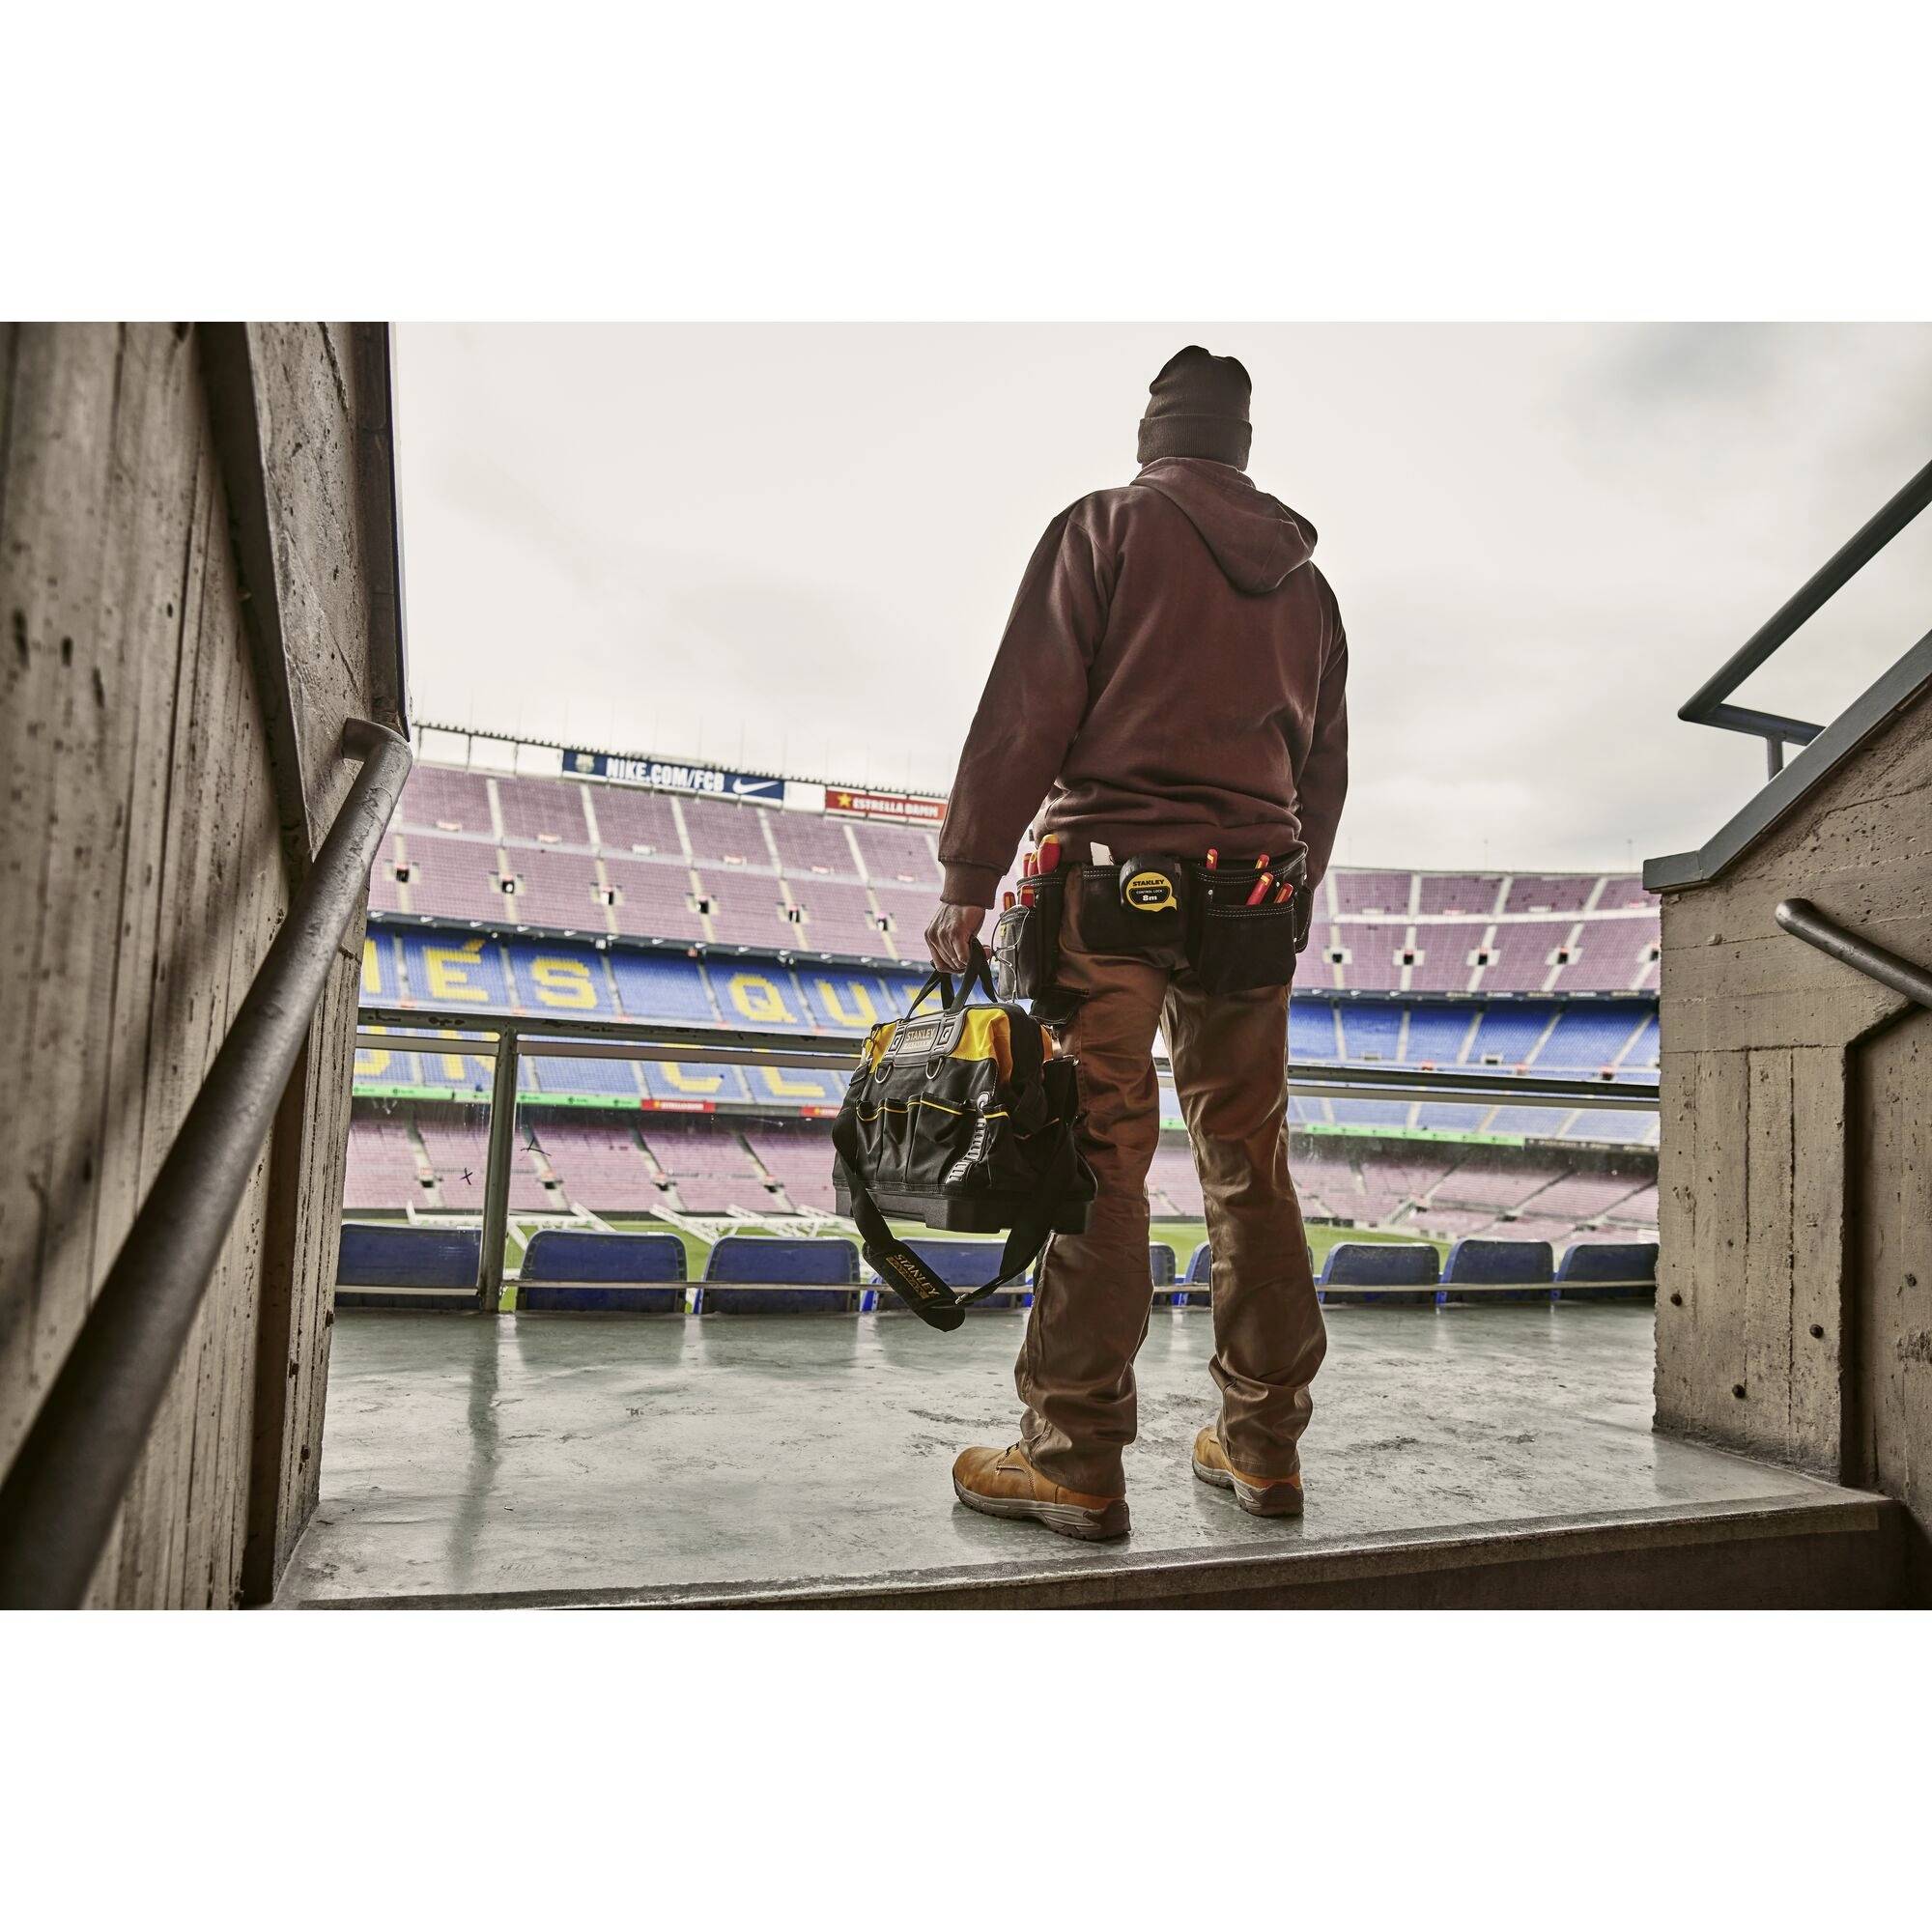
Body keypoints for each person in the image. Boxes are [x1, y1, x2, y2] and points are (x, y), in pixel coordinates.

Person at [925, 345, 1349, 1541]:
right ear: (1242, 447)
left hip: (1111, 885)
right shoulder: (1310, 592)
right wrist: (1289, 890)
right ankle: (1264, 1447)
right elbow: (1322, 770)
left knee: (1100, 1154)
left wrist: (967, 876)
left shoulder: (1104, 527)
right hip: (1253, 894)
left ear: (1154, 435)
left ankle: (1072, 1456)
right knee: (1246, 1162)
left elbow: (1026, 706)